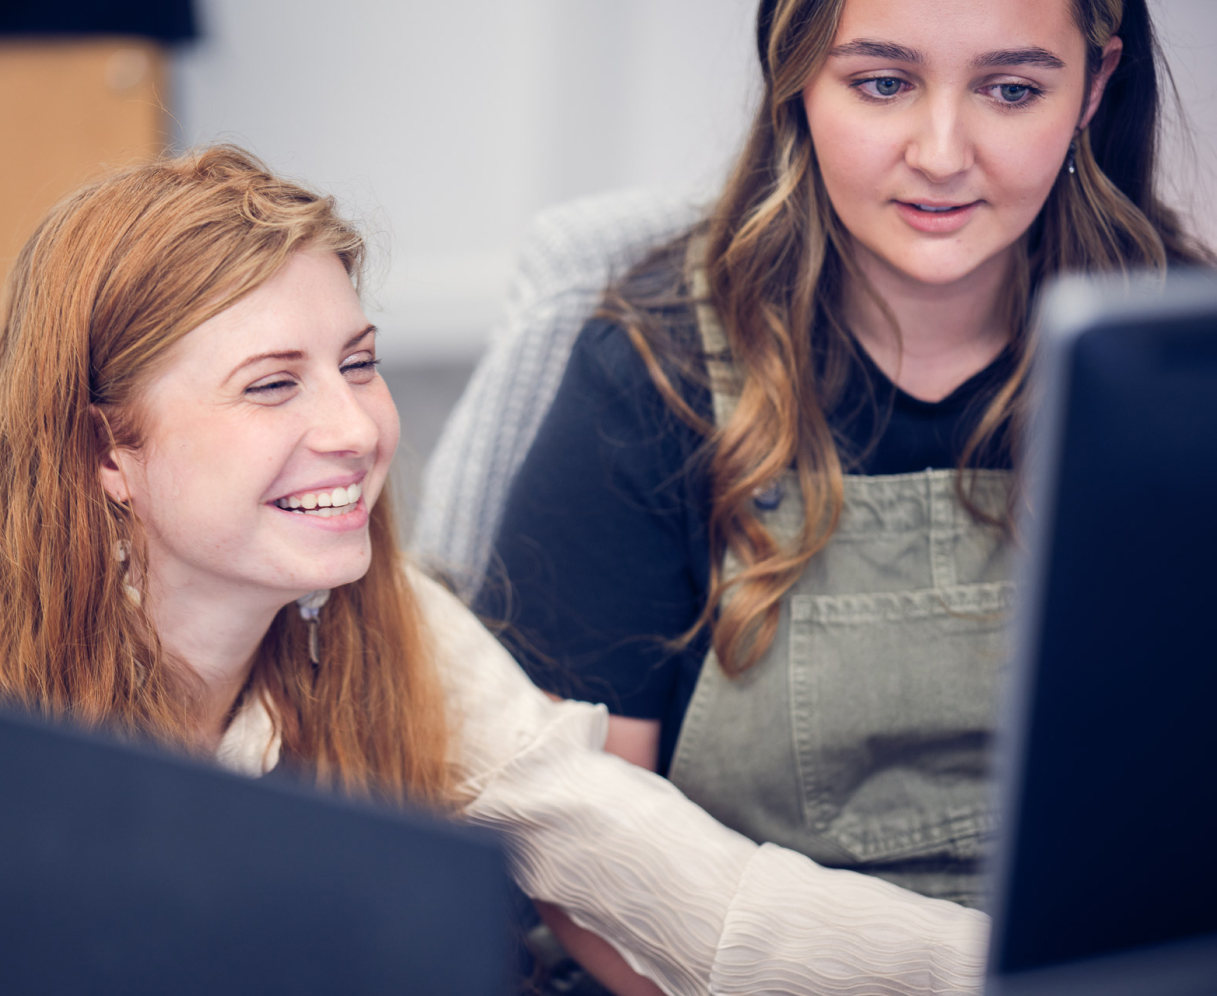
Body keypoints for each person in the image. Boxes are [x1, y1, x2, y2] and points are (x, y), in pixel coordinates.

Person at [0, 146, 998, 995]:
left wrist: (1012, 969)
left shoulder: (394, 631)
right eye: (273, 384)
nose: (359, 428)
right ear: (110, 446)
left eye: (358, 364)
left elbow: (711, 905)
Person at [435, 0, 1212, 988]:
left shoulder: (1184, 367)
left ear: (1095, 87)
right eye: (882, 83)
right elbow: (586, 860)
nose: (941, 154)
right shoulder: (655, 371)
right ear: (795, 74)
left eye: (1011, 91)